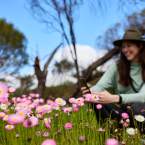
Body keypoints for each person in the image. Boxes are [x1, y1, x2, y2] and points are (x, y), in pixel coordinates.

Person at [81, 27, 145, 131]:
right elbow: (100, 86)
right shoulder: (116, 67)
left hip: (141, 112)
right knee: (96, 101)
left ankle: (140, 135)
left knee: (138, 105)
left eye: (129, 46)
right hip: (122, 113)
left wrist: (116, 98)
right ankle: (111, 134)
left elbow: (143, 97)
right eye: (123, 47)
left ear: (140, 46)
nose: (125, 50)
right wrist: (90, 92)